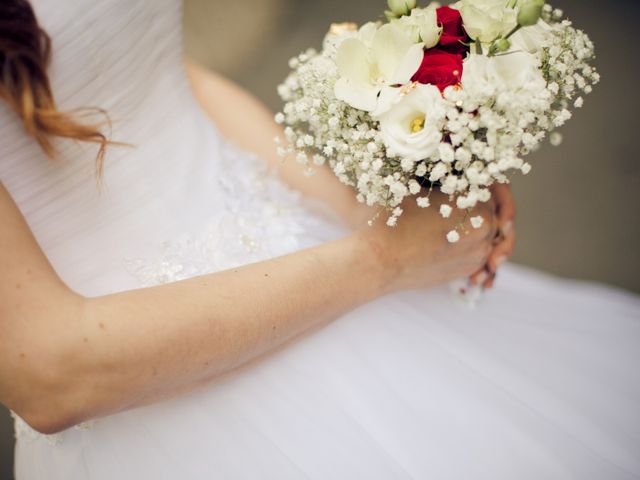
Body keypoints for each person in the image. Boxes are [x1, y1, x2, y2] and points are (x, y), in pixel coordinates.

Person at [1, 0, 638, 479]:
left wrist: (369, 210)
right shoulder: (371, 265)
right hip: (144, 377)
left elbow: (156, 75)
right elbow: (53, 374)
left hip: (298, 243)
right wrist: (385, 259)